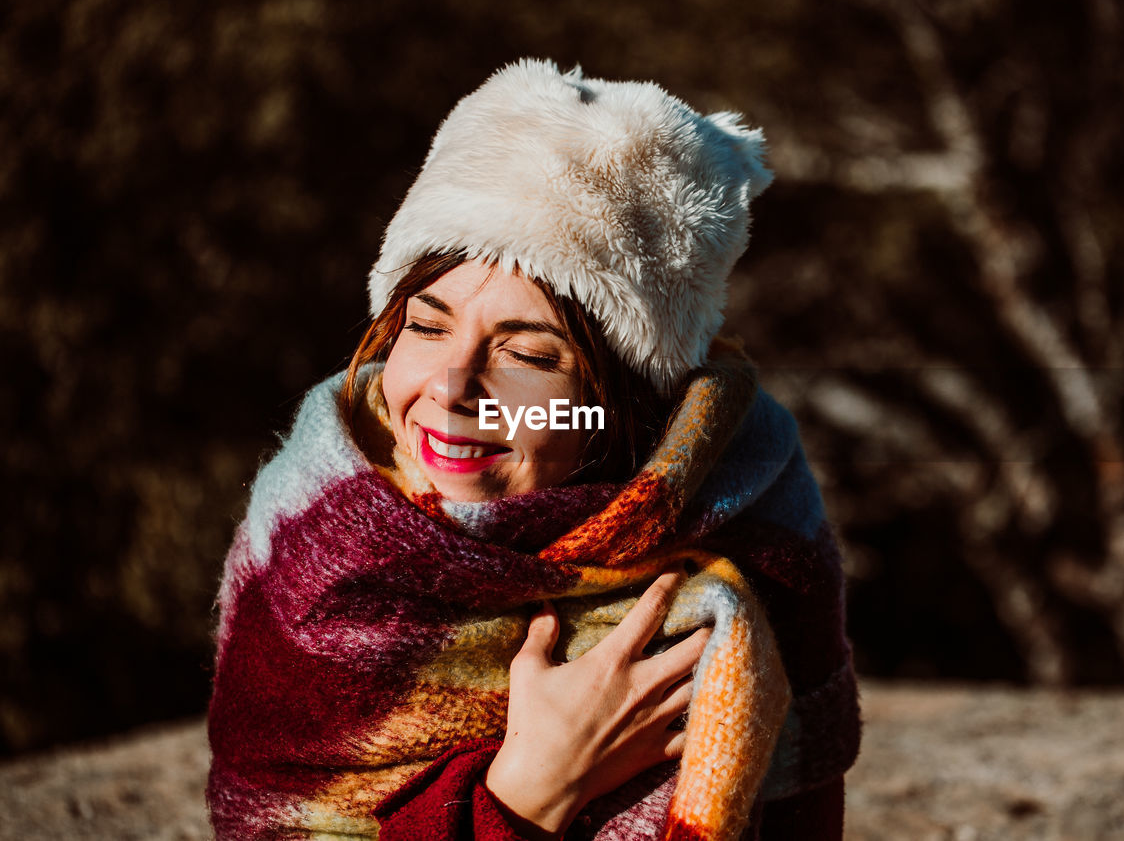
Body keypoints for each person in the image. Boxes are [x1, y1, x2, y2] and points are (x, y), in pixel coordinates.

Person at [206, 59, 860, 841]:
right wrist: (531, 789)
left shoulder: (758, 545)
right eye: (429, 323)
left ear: (619, 408)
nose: (452, 388)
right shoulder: (313, 543)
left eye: (530, 355)